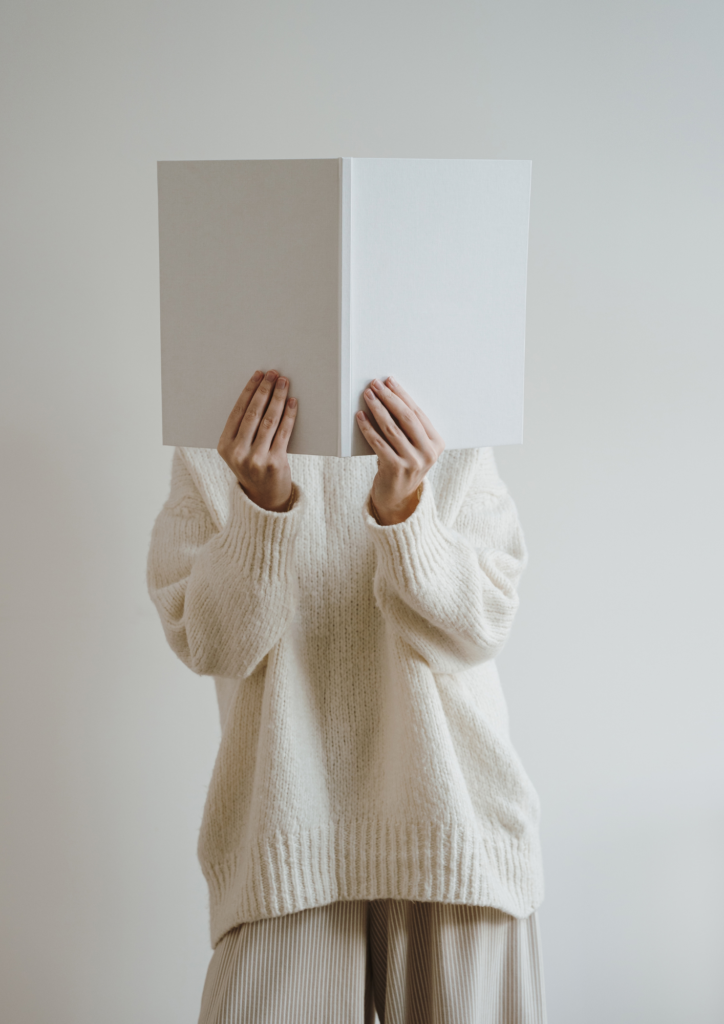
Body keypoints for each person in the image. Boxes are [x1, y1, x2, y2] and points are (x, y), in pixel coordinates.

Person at [146, 368, 547, 1023]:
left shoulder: (452, 417)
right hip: (287, 836)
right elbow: (210, 643)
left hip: (455, 832)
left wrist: (403, 512)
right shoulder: (217, 440)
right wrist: (262, 510)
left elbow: (481, 627)